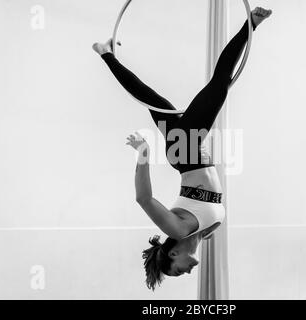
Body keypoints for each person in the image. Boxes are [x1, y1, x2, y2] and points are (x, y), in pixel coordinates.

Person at [93, 7, 272, 290]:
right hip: (188, 151)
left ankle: (251, 24)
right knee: (153, 100)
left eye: (176, 272)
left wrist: (142, 155)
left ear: (173, 253)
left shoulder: (174, 229)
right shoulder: (207, 233)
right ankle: (105, 53)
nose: (186, 273)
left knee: (219, 85)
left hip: (187, 151)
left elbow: (144, 199)